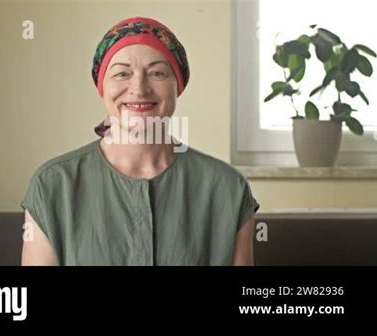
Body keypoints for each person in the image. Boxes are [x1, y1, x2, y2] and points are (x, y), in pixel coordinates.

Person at [21, 17, 260, 266]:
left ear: (177, 86)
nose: (139, 88)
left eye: (156, 73)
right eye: (122, 73)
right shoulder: (51, 186)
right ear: (101, 86)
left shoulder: (228, 188)